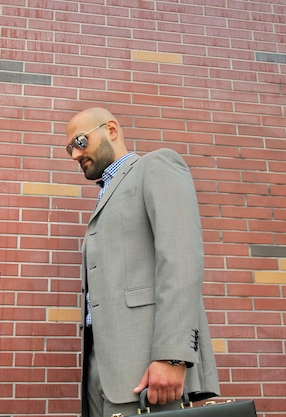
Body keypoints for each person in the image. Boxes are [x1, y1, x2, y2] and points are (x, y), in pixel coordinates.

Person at [65, 108, 220, 417]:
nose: (75, 155)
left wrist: (173, 357)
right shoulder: (105, 193)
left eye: (81, 141)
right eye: (70, 148)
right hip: (103, 371)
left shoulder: (156, 166)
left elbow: (180, 260)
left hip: (152, 372)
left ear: (111, 129)